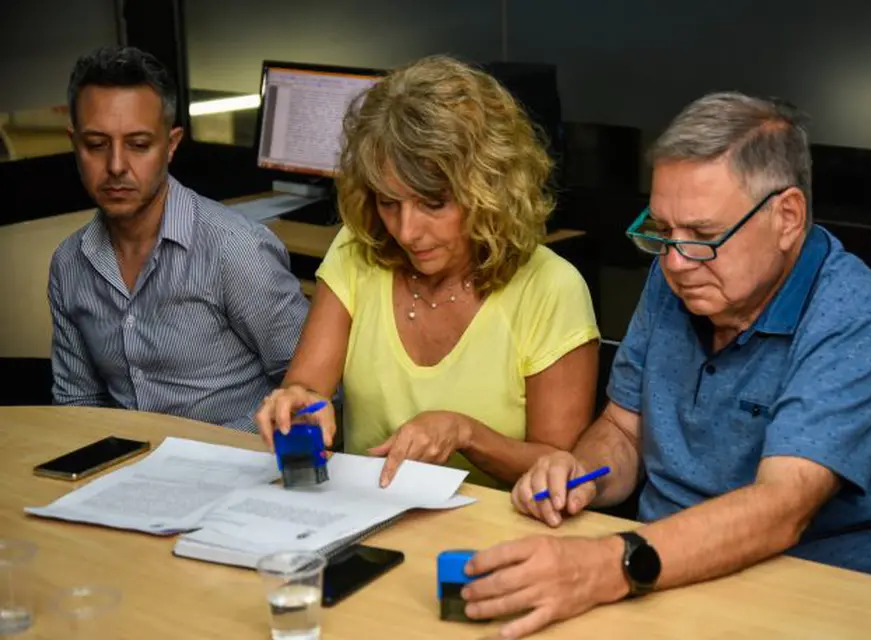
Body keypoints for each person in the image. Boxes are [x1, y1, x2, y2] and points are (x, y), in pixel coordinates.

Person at [458, 92, 871, 638]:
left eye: (704, 236)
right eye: (663, 231)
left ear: (787, 217)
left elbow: (781, 509)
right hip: (658, 577)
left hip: (819, 605)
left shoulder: (854, 319)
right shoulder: (680, 277)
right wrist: (579, 474)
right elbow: (623, 431)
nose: (676, 263)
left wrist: (606, 565)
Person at [256, 54, 600, 489]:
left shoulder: (551, 289)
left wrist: (466, 434)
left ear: (489, 190)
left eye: (433, 204)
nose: (407, 232)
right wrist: (297, 402)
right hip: (368, 509)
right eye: (388, 203)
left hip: (495, 524)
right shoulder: (357, 251)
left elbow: (561, 468)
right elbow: (308, 387)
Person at [48, 45, 309, 432]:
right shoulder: (69, 263)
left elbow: (315, 394)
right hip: (128, 463)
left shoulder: (235, 250)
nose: (116, 166)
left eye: (138, 145)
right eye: (96, 145)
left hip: (237, 458)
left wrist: (210, 450)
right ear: (74, 143)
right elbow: (77, 404)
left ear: (171, 145)